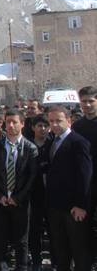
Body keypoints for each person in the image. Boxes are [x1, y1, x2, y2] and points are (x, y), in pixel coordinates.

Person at [0, 109, 38, 271]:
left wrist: (18, 198)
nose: (11, 125)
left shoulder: (30, 148)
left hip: (20, 202)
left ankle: (21, 266)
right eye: (8, 122)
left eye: (15, 122)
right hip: (0, 201)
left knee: (21, 240)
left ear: (22, 124)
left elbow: (31, 178)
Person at [46, 105, 92, 271]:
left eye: (59, 120)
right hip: (56, 206)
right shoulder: (52, 141)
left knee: (79, 250)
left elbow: (85, 176)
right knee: (61, 251)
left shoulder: (78, 142)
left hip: (74, 208)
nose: (55, 124)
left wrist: (81, 205)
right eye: (51, 121)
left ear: (69, 120)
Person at [73, 86, 97, 262]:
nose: (87, 105)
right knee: (84, 226)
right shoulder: (78, 126)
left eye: (91, 101)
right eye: (84, 101)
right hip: (84, 183)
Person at [28, 115, 52, 271]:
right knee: (34, 230)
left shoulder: (54, 144)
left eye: (45, 125)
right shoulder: (28, 146)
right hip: (33, 194)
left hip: (52, 195)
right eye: (39, 125)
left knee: (54, 230)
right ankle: (36, 259)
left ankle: (56, 260)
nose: (42, 128)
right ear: (33, 127)